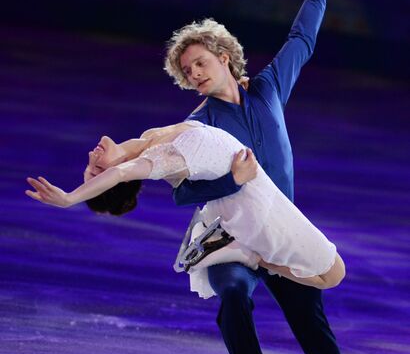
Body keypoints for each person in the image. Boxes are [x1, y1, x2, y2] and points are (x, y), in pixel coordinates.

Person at [162, 0, 392, 354]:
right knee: (233, 304)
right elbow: (180, 192)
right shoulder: (199, 125)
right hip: (231, 239)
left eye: (200, 62)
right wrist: (228, 179)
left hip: (279, 231)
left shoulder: (267, 91)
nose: (194, 73)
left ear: (224, 56)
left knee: (311, 320)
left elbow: (302, 40)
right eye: (186, 70)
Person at [25, 119, 346, 292]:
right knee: (333, 274)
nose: (92, 155)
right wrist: (69, 198)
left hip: (253, 192)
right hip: (256, 210)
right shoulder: (156, 160)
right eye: (96, 169)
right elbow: (122, 170)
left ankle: (244, 250)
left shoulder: (151, 137)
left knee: (330, 273)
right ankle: (253, 256)